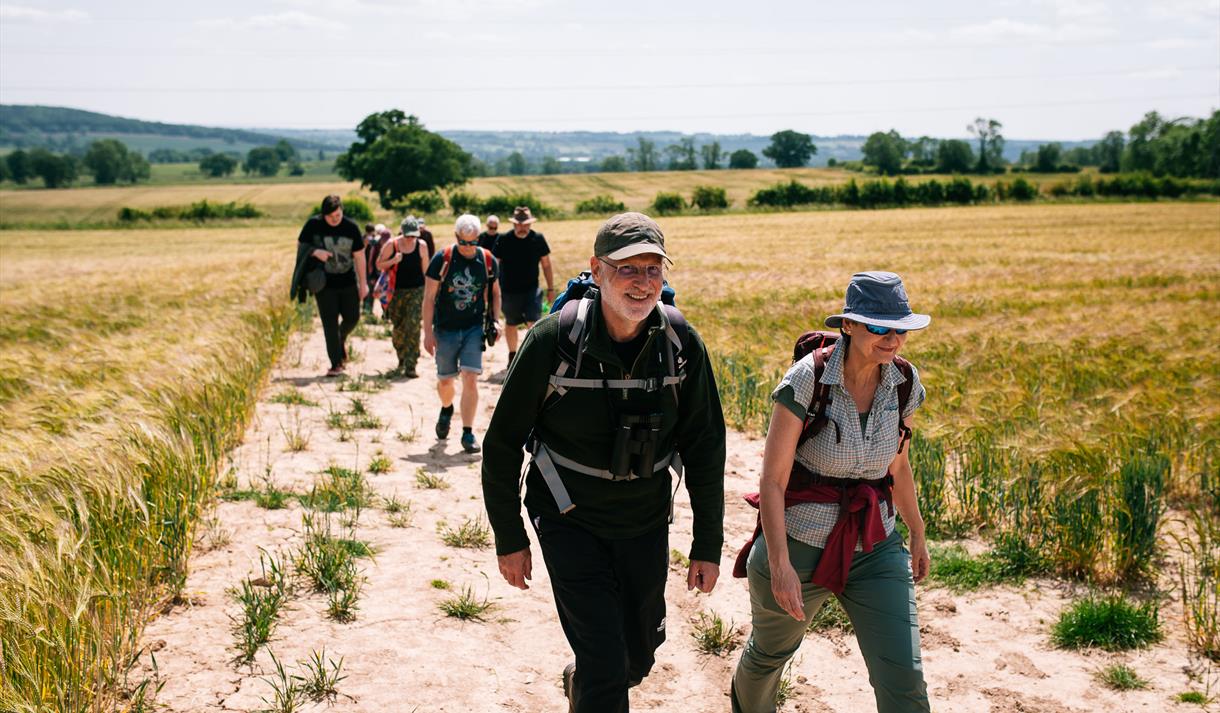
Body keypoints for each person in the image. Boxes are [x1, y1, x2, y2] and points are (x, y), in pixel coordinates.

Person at [481, 212, 726, 713]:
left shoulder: (681, 345)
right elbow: (502, 443)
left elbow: (705, 446)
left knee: (637, 657)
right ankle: (592, 680)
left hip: (644, 518)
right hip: (568, 516)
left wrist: (707, 543)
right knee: (606, 663)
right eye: (627, 269)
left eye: (653, 269)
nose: (642, 282)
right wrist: (509, 536)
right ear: (597, 270)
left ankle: (584, 682)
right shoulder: (552, 341)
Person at [730, 271, 932, 713]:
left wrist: (916, 532)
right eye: (879, 327)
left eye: (901, 329)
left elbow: (898, 465)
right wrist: (780, 564)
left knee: (904, 676)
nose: (893, 340)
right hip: (799, 543)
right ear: (850, 325)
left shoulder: (904, 382)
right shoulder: (808, 379)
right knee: (768, 657)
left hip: (875, 544)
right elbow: (773, 481)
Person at [422, 214, 501, 453]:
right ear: (456, 237)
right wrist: (427, 332)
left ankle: (467, 432)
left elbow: (495, 293)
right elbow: (429, 298)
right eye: (463, 242)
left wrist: (495, 321)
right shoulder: (442, 259)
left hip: (473, 328)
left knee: (470, 377)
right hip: (445, 329)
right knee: (446, 380)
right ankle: (447, 408)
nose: (468, 247)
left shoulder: (487, 260)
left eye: (473, 242)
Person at [297, 194, 368, 377]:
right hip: (324, 284)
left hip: (348, 281)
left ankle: (340, 337)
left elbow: (360, 256)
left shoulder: (351, 227)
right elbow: (301, 246)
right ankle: (336, 363)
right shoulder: (313, 225)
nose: (335, 220)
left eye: (338, 215)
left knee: (352, 318)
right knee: (329, 324)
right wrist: (315, 251)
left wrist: (363, 284)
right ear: (323, 215)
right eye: (331, 217)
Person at [492, 206, 556, 366]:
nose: (522, 227)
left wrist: (550, 288)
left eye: (525, 224)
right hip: (509, 290)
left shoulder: (538, 239)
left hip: (532, 289)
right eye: (519, 224)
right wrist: (492, 289)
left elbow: (546, 265)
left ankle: (532, 356)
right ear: (514, 224)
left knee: (533, 322)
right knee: (511, 322)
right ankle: (512, 355)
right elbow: (494, 265)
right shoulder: (504, 239)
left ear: (530, 224)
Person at [376, 216, 431, 378]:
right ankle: (401, 357)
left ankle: (411, 364)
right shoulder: (392, 245)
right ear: (402, 232)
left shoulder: (422, 246)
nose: (410, 239)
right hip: (396, 292)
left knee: (413, 326)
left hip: (416, 291)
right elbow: (379, 264)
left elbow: (426, 272)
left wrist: (430, 293)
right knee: (399, 328)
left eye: (413, 235)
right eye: (408, 235)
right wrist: (394, 260)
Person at [363, 223, 389, 315]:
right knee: (370, 291)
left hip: (380, 271)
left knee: (384, 293)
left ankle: (385, 313)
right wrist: (371, 275)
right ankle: (367, 310)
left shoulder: (386, 243)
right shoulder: (373, 243)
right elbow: (371, 260)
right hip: (372, 271)